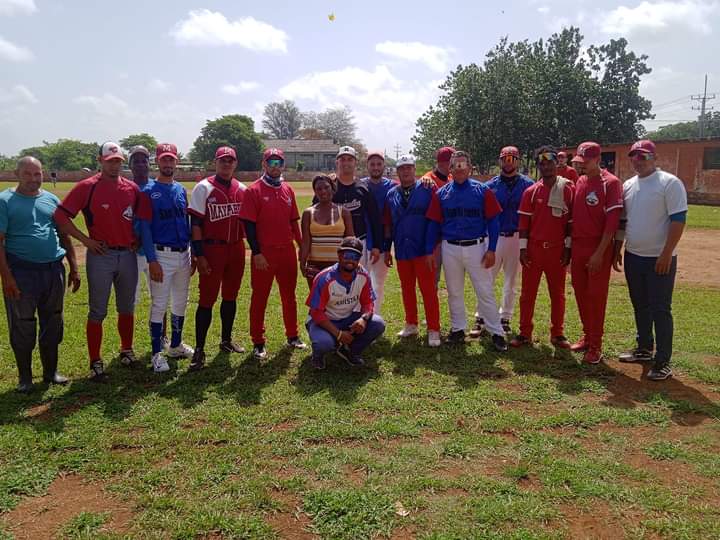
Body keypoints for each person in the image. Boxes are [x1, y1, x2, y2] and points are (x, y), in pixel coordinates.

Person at [54, 142, 151, 381]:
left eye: (118, 161)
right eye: (110, 161)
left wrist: (137, 238)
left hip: (127, 255)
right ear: (100, 161)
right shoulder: (88, 187)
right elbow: (60, 216)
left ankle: (126, 350)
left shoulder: (131, 188)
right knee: (98, 310)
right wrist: (85, 240)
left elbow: (144, 216)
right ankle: (95, 360)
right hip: (101, 255)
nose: (114, 165)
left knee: (127, 307)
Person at [0, 157, 81, 392]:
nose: (33, 179)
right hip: (22, 271)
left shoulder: (51, 199)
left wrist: (74, 267)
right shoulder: (5, 201)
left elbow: (64, 235)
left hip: (53, 270)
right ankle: (25, 378)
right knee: (23, 324)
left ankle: (50, 372)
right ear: (17, 174)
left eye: (38, 174)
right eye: (28, 174)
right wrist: (7, 277)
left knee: (53, 320)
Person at [614, 140, 687, 381]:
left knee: (660, 309)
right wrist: (618, 249)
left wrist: (666, 253)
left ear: (654, 157)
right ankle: (644, 348)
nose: (638, 160)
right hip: (634, 256)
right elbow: (624, 221)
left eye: (643, 156)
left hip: (659, 258)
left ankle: (663, 361)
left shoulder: (669, 183)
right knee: (640, 305)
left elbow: (678, 220)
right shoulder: (628, 185)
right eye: (634, 156)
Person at [426, 151, 508, 351]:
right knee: (454, 291)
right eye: (456, 166)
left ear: (470, 168)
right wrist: (429, 250)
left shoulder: (482, 191)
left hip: (477, 246)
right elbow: (433, 224)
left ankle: (496, 331)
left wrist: (492, 249)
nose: (460, 169)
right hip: (450, 247)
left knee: (485, 291)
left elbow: (494, 221)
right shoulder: (441, 193)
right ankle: (458, 328)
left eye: (463, 165)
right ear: (450, 169)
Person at [240, 147, 307, 360]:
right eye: (271, 162)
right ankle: (258, 342)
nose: (275, 166)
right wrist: (257, 253)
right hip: (265, 254)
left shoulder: (288, 189)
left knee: (290, 296)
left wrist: (302, 247)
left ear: (283, 165)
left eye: (278, 162)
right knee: (260, 297)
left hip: (287, 251)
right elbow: (249, 226)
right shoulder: (253, 190)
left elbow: (293, 222)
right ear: (264, 164)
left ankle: (293, 335)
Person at [187, 146, 247, 371]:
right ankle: (200, 349)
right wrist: (199, 254)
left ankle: (226, 340)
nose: (226, 164)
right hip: (212, 250)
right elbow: (196, 225)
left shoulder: (241, 188)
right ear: (215, 162)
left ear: (235, 164)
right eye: (223, 160)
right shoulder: (204, 187)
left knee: (230, 296)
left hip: (236, 248)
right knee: (207, 299)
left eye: (230, 161)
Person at [138, 143, 194, 373]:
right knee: (159, 304)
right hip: (161, 254)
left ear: (176, 161)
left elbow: (186, 222)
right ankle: (155, 353)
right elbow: (144, 228)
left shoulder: (180, 189)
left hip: (183, 253)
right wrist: (152, 260)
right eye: (164, 159)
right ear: (157, 162)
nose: (168, 163)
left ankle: (176, 344)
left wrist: (192, 252)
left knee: (181, 301)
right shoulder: (148, 191)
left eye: (172, 159)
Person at [511, 146, 573, 350]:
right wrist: (522, 250)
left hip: (557, 251)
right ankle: (524, 332)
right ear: (538, 166)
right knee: (527, 294)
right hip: (534, 251)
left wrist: (567, 248)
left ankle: (558, 333)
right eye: (542, 163)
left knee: (558, 294)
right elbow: (523, 225)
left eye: (550, 162)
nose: (546, 166)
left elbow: (570, 223)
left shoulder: (568, 189)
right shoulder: (531, 192)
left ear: (557, 163)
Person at [569, 142, 623, 364]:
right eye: (579, 162)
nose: (581, 166)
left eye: (585, 162)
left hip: (598, 246)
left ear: (597, 159)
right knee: (581, 293)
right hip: (578, 246)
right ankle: (587, 336)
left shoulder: (610, 183)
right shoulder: (580, 181)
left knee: (596, 296)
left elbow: (612, 224)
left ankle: (596, 345)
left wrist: (601, 253)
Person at [471, 146, 533, 338]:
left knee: (510, 281)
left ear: (518, 161)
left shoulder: (528, 185)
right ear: (499, 161)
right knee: (486, 279)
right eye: (505, 158)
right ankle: (481, 317)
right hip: (494, 237)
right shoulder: (490, 185)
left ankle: (505, 316)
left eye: (512, 158)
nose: (508, 162)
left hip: (516, 237)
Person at [383, 155, 441, 346]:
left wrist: (432, 248)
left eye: (409, 168)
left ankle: (433, 328)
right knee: (407, 289)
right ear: (397, 172)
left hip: (423, 249)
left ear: (415, 170)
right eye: (402, 168)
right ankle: (411, 323)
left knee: (428, 290)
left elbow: (435, 218)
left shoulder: (427, 187)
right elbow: (388, 224)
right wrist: (386, 249)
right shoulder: (391, 194)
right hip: (402, 249)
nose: (406, 171)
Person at [306, 236, 386, 369]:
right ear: (339, 255)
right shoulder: (324, 279)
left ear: (359, 258)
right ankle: (318, 355)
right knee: (323, 344)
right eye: (347, 255)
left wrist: (363, 319)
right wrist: (338, 334)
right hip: (323, 320)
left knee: (378, 324)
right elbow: (316, 313)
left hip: (347, 318)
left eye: (355, 256)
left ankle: (350, 351)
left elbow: (368, 303)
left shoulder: (363, 275)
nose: (350, 260)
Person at [129, 145, 168, 348]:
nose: (141, 164)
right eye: (136, 160)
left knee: (160, 297)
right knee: (131, 299)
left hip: (156, 252)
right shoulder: (126, 188)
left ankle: (163, 337)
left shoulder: (157, 187)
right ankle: (128, 345)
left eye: (144, 160)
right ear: (130, 165)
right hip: (133, 253)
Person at [327, 146, 382, 272]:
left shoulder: (363, 188)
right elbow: (315, 211)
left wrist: (376, 246)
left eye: (350, 159)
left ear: (355, 163)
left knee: (358, 281)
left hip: (358, 242)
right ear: (337, 162)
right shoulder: (328, 187)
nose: (346, 163)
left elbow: (375, 219)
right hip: (334, 241)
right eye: (342, 159)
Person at [300, 174, 354, 288]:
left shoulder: (344, 212)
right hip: (315, 267)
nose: (323, 191)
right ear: (314, 192)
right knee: (318, 303)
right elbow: (305, 242)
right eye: (318, 189)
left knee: (338, 302)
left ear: (332, 188)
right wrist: (302, 263)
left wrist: (351, 264)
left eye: (326, 187)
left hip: (339, 265)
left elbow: (350, 241)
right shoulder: (308, 213)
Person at [361, 150, 394, 314]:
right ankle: (360, 317)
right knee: (360, 282)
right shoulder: (360, 185)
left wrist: (425, 180)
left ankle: (375, 317)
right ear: (367, 166)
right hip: (363, 241)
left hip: (383, 241)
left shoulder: (392, 186)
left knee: (378, 283)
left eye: (379, 164)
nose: (375, 167)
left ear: (384, 166)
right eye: (372, 164)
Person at [421, 146, 455, 282]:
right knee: (432, 279)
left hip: (450, 237)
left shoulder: (452, 178)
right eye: (452, 161)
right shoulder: (428, 180)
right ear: (442, 163)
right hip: (434, 239)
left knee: (453, 279)